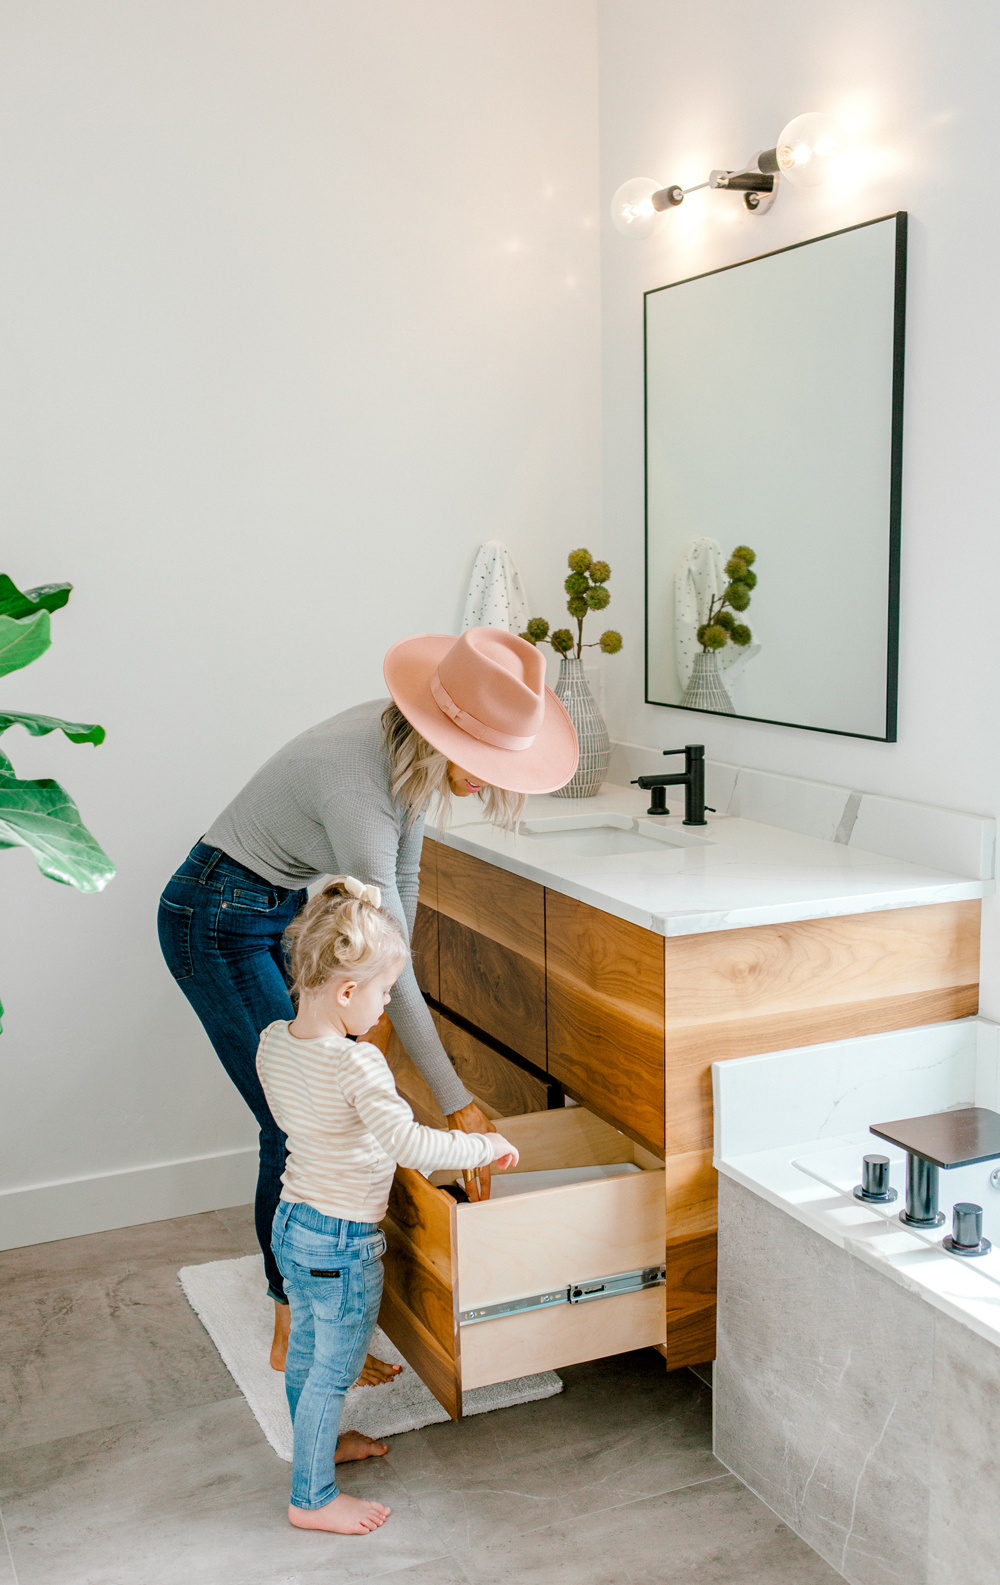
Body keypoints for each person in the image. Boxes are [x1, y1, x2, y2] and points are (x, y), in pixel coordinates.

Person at [157, 627, 577, 1374]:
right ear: (446, 730)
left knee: (316, 1108)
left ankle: (312, 1308)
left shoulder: (406, 749)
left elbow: (398, 903)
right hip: (213, 920)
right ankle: (295, 1332)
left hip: (273, 910)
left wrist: (383, 1004)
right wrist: (455, 1099)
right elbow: (392, 952)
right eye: (476, 760)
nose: (483, 778)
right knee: (294, 1122)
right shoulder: (360, 788)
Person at [259, 874, 519, 1534]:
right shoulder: (358, 1065)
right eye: (381, 994)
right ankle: (312, 1497)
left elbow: (334, 1130)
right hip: (342, 1241)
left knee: (309, 1356)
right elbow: (404, 1138)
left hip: (292, 1222)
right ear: (346, 990)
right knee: (333, 1372)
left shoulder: (273, 1042)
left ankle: (317, 1448)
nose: (382, 1010)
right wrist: (481, 1145)